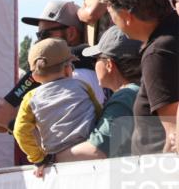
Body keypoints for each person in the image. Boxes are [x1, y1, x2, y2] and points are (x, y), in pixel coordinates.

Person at [0, 1, 100, 133]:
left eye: (45, 34)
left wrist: (10, 123)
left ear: (71, 34)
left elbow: (57, 138)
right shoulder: (72, 74)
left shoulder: (76, 78)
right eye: (38, 35)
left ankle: (7, 107)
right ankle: (7, 107)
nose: (39, 41)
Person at [96, 0, 178, 155]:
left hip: (161, 169)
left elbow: (174, 137)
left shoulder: (159, 52)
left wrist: (159, 172)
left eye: (110, 12)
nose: (112, 21)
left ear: (126, 15)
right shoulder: (171, 37)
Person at [13, 38, 101, 176]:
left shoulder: (31, 98)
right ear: (67, 70)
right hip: (89, 154)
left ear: (35, 77)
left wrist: (39, 159)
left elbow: (20, 131)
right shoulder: (82, 86)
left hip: (57, 163)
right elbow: (99, 113)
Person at [55, 27, 143, 161]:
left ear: (109, 65)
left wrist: (50, 158)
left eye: (95, 59)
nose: (94, 65)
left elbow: (96, 151)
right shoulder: (141, 90)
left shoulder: (125, 96)